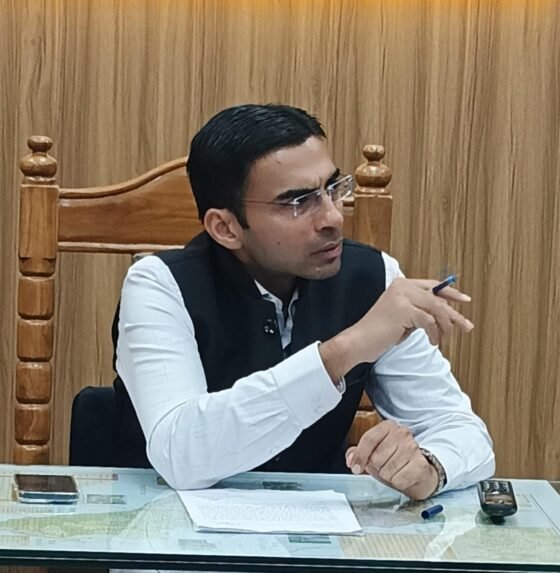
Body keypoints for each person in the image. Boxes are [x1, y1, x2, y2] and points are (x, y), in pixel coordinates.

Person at [113, 103, 495, 500]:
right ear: (225, 227)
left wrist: (428, 468)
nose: (333, 218)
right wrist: (343, 352)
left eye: (333, 188)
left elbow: (461, 430)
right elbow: (180, 454)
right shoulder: (160, 285)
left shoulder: (373, 277)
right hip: (166, 527)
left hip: (318, 529)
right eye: (298, 202)